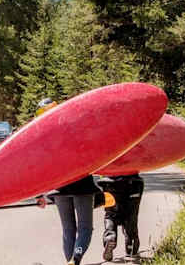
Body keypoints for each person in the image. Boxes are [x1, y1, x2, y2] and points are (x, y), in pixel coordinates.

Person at [34, 97, 100, 265]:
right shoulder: (74, 128)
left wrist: (39, 195)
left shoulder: (42, 139)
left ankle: (69, 261)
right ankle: (75, 259)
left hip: (59, 189)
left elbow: (41, 169)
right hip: (82, 185)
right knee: (85, 228)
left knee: (68, 229)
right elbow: (93, 154)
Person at [97, 172, 144, 261]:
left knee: (111, 215)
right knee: (131, 216)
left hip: (109, 183)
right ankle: (131, 248)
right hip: (133, 183)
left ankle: (110, 238)